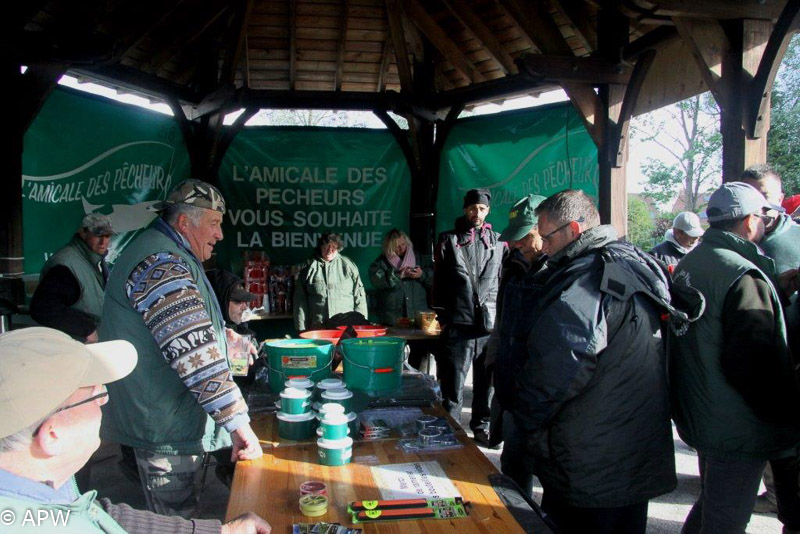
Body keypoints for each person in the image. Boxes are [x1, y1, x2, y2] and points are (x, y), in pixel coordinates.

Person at [516, 189, 691, 533]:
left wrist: (526, 415)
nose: (543, 244)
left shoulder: (585, 280)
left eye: (547, 235)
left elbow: (558, 373)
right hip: (632, 445)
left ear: (574, 231)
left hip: (590, 456)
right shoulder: (635, 262)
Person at [0, 327, 271, 533]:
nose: (105, 398)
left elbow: (96, 512)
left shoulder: (39, 488)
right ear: (52, 436)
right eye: (94, 394)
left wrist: (220, 531)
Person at [99, 179, 263, 519]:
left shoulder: (166, 251)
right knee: (178, 523)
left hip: (166, 419)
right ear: (184, 222)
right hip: (162, 426)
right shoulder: (161, 261)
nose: (220, 235)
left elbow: (180, 328)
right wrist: (239, 424)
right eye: (214, 224)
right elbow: (194, 355)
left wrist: (223, 335)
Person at [670, 181, 800, 533]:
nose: (764, 224)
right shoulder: (742, 275)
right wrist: (786, 417)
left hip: (706, 411)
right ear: (746, 222)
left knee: (713, 503)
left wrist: (775, 288)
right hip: (739, 423)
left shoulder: (694, 261)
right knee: (725, 519)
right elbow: (753, 364)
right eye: (762, 217)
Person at [432, 188, 506, 446]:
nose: (477, 212)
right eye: (473, 207)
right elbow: (438, 282)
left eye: (482, 208)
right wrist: (443, 318)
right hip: (459, 324)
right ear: (465, 209)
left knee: (486, 385)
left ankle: (482, 427)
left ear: (488, 210)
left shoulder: (498, 241)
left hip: (489, 324)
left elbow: (503, 281)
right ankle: (450, 428)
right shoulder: (448, 240)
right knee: (453, 385)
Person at [486, 194, 548, 496]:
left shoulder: (562, 270)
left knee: (553, 476)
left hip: (544, 389)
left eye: (526, 235)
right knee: (513, 468)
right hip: (512, 385)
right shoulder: (512, 264)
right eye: (515, 237)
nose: (517, 243)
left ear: (545, 227)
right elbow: (503, 319)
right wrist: (494, 358)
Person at [30, 213, 114, 343]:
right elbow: (43, 307)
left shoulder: (92, 260)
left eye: (107, 236)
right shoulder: (66, 264)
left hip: (90, 345)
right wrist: (87, 328)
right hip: (74, 347)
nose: (103, 242)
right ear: (83, 233)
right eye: (98, 236)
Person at [369, 229, 433, 369]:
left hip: (419, 317)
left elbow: (434, 277)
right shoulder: (380, 262)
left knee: (420, 355)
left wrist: (422, 275)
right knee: (391, 356)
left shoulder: (420, 258)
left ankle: (417, 381)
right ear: (389, 247)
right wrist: (399, 275)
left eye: (403, 244)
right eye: (397, 246)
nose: (402, 248)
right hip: (392, 318)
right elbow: (377, 281)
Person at [293, 232, 367, 332]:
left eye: (333, 247)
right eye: (326, 246)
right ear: (320, 247)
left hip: (346, 330)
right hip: (318, 330)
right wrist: (301, 330)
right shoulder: (308, 268)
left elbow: (360, 298)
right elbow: (300, 302)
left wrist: (361, 326)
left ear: (338, 248)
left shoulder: (348, 266)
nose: (329, 250)